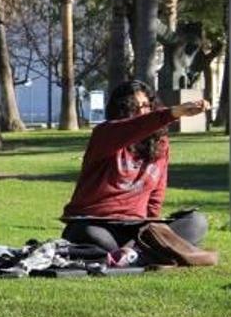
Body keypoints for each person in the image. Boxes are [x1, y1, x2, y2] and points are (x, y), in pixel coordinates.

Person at [61, 80, 210, 252]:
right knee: (93, 236)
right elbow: (136, 127)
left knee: (196, 222)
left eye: (146, 106)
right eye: (134, 107)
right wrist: (174, 113)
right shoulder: (105, 134)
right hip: (96, 223)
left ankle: (137, 250)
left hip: (137, 227)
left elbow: (156, 192)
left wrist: (154, 227)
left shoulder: (160, 143)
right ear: (120, 109)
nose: (141, 111)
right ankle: (148, 250)